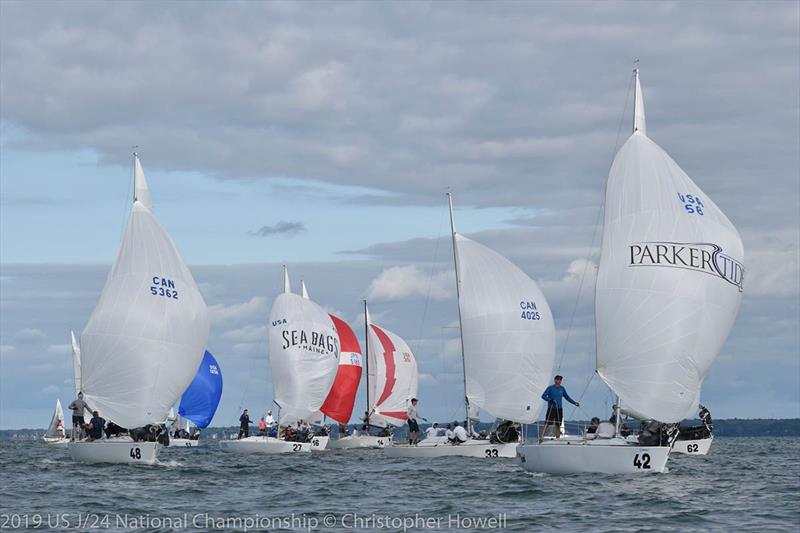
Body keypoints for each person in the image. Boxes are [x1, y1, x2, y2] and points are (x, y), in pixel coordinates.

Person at [539, 375, 580, 441]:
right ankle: (541, 437)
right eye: (557, 379)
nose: (558, 381)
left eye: (560, 380)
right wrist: (551, 400)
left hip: (559, 408)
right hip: (551, 408)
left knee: (558, 424)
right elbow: (543, 396)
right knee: (547, 423)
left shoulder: (562, 389)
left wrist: (574, 403)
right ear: (555, 380)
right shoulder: (550, 388)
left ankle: (557, 439)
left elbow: (567, 397)